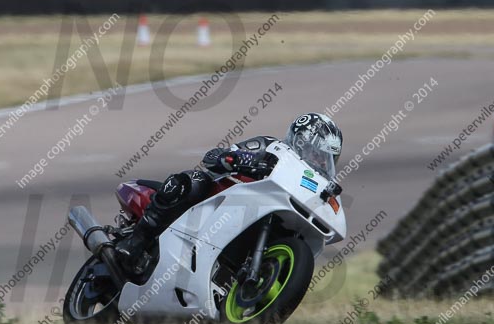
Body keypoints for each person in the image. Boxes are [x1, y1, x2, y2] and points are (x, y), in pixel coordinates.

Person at [116, 112, 343, 270]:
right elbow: (214, 157)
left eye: (329, 159)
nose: (322, 162)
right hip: (216, 202)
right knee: (192, 180)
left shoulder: (314, 181)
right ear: (302, 143)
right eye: (318, 154)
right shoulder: (270, 146)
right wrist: (237, 158)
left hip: (256, 217)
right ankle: (135, 241)